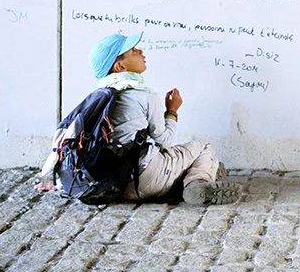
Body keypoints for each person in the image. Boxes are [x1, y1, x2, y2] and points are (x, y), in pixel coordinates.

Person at [38, 30, 234, 205]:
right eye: (133, 51)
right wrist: (172, 111)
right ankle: (197, 184)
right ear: (120, 66)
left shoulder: (98, 100)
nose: (141, 52)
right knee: (203, 148)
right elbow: (165, 141)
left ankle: (193, 178)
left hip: (109, 183)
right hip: (144, 180)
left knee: (179, 159)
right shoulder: (144, 95)